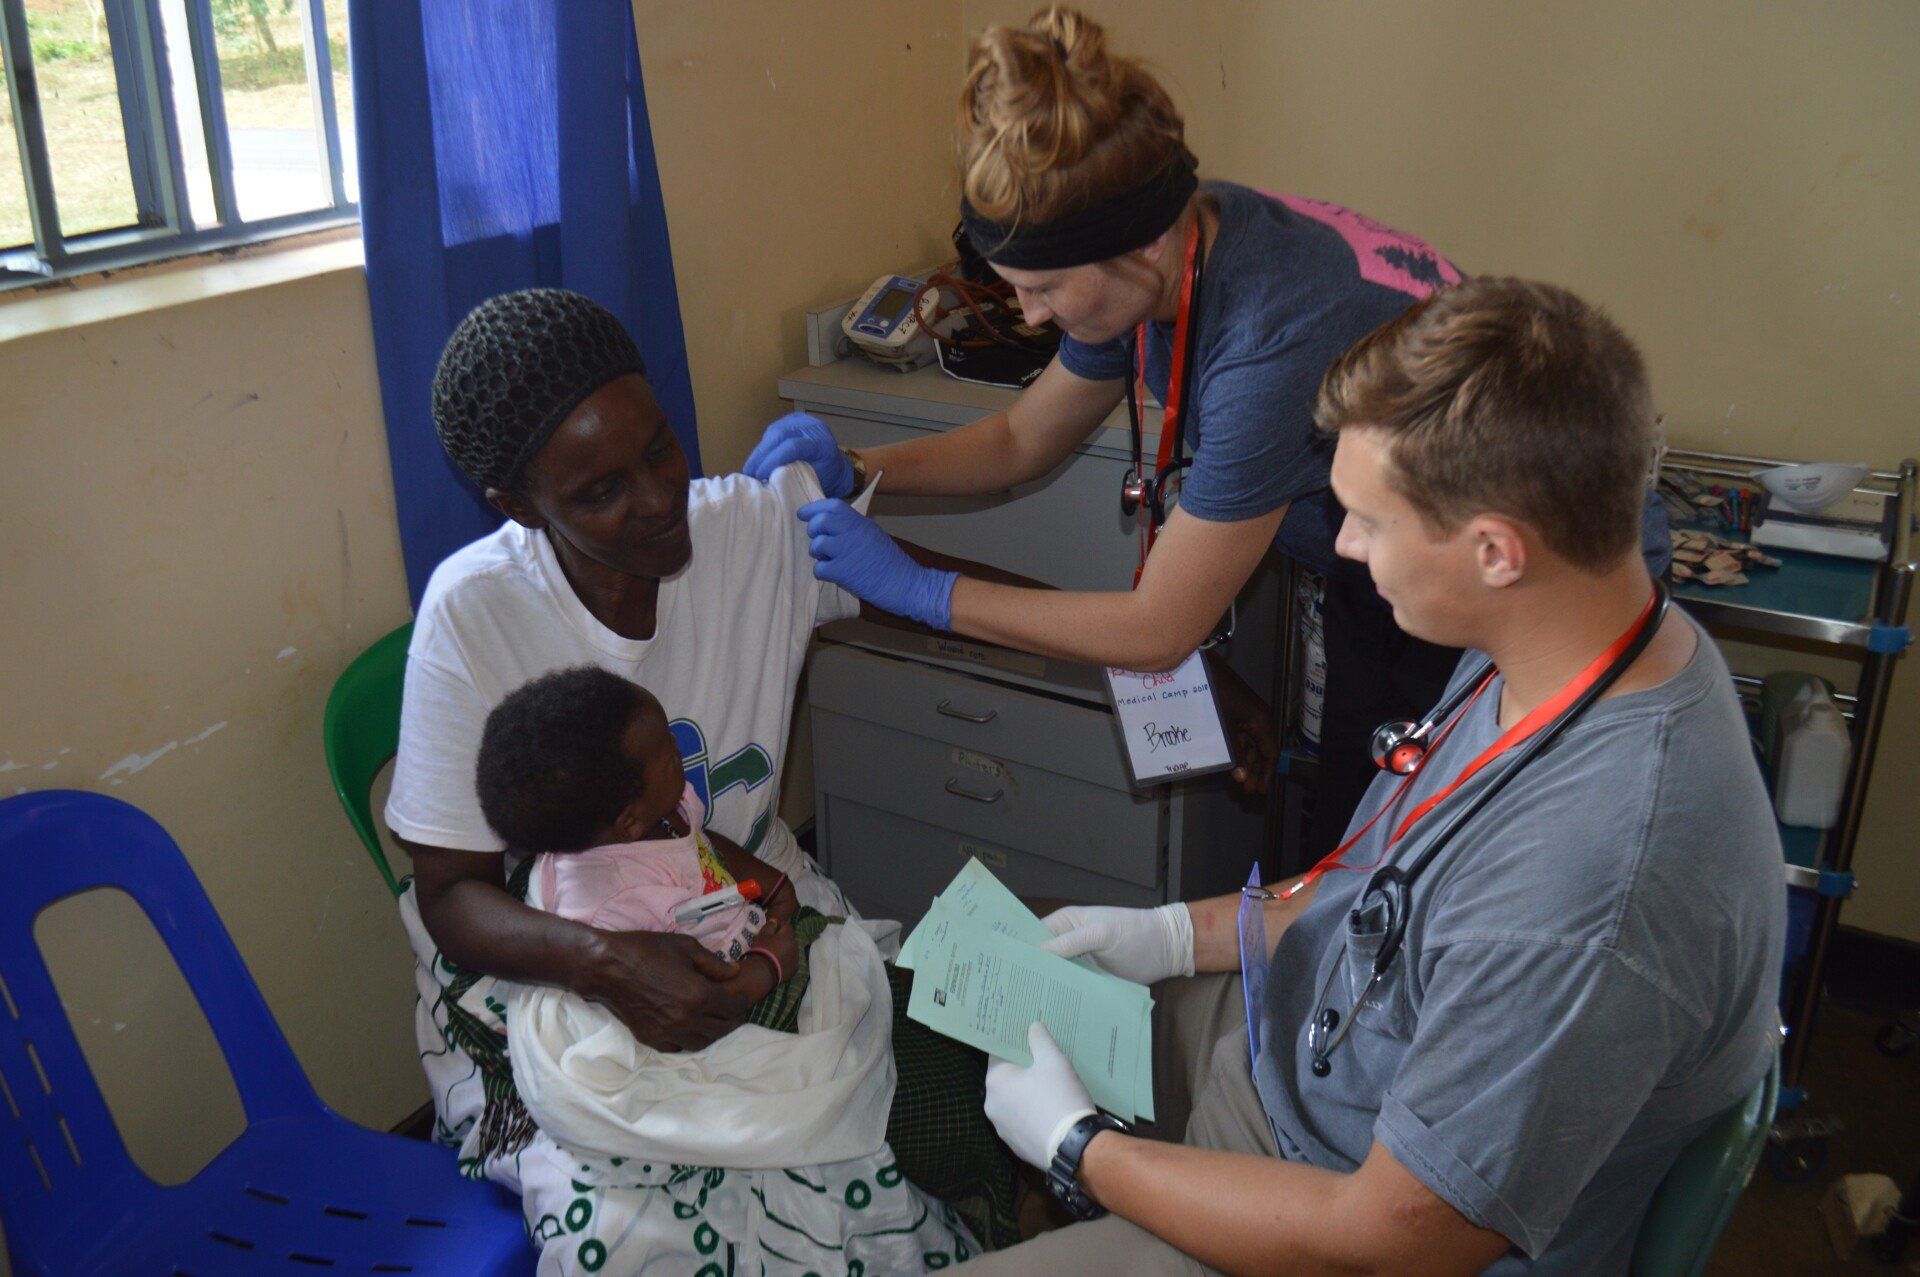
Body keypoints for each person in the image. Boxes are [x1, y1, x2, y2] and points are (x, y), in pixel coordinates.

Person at [959, 277, 1784, 1275]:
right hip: (1310, 1056)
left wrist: (1079, 1146)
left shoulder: (1587, 887)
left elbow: (1391, 1239)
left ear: (1494, 551)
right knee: (986, 968)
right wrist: (1173, 935)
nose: (1343, 545)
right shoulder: (1570, 630)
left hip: (1344, 1216)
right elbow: (1383, 881)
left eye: (1367, 519)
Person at [747, 6, 1665, 850]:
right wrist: (864, 465)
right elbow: (1023, 440)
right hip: (1389, 570)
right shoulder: (1174, 244)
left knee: (1427, 859)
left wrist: (919, 591)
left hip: (1522, 588)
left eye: (1043, 289)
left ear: (1142, 248)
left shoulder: (1270, 340)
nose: (1027, 317)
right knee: (1353, 828)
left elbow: (1157, 628)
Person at [384, 288, 1018, 1271]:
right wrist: (602, 961)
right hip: (552, 956)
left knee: (925, 1125)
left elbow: (948, 596)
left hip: (748, 900)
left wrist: (1162, 655)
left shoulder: (748, 533)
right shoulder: (477, 614)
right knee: (667, 1236)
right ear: (517, 505)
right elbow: (453, 894)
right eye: (598, 490)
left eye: (659, 449)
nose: (655, 498)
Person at [473, 667, 978, 1274]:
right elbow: (688, 1007)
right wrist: (769, 963)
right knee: (906, 1085)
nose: (681, 754)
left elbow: (696, 842)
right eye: (667, 753)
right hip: (702, 1008)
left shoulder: (655, 809)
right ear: (629, 820)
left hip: (735, 937)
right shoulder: (612, 910)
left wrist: (766, 881)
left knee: (920, 1017)